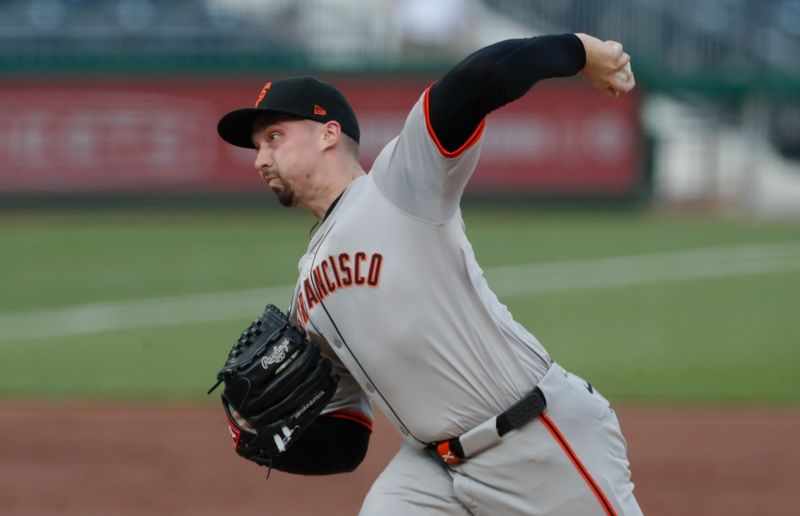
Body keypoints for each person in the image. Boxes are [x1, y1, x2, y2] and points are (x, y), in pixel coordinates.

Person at [217, 32, 640, 515]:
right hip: (433, 471)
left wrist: (582, 51)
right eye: (256, 146)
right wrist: (258, 438)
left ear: (328, 133)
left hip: (532, 438)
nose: (259, 159)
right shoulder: (307, 292)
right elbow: (347, 440)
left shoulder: (400, 183)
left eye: (274, 137)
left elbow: (476, 82)